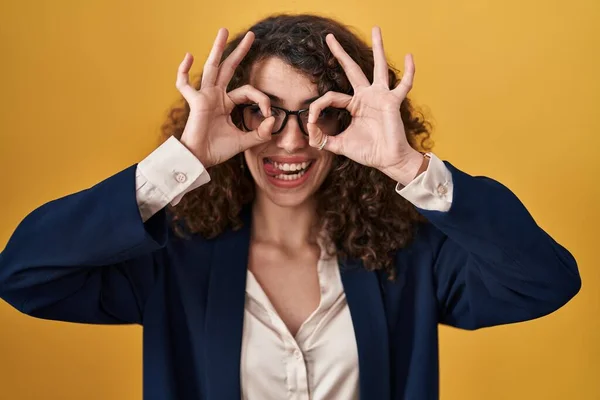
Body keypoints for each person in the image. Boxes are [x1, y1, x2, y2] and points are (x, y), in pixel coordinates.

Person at [0, 13, 580, 400]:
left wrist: (408, 167)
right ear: (231, 114)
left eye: (322, 113)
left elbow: (545, 281)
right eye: (262, 111)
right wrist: (180, 161)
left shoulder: (409, 258)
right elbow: (25, 274)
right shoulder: (171, 257)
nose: (291, 141)